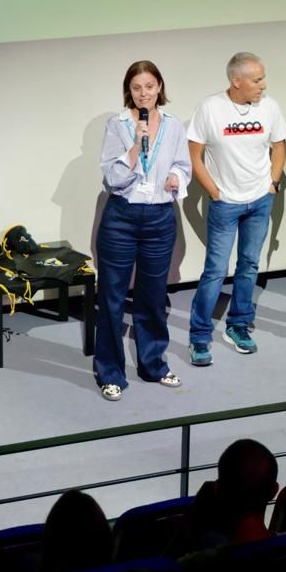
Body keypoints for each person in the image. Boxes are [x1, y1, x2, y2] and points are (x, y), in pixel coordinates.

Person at [93, 60, 191, 399]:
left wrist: (178, 178)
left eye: (149, 86)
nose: (144, 93)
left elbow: (183, 164)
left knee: (151, 297)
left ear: (159, 87)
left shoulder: (175, 126)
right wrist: (136, 145)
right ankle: (110, 372)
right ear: (129, 91)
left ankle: (154, 365)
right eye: (137, 88)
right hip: (121, 217)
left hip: (160, 217)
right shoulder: (117, 125)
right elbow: (112, 178)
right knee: (112, 297)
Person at [187, 53, 286, 366]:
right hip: (225, 203)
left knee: (248, 264)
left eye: (262, 78)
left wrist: (272, 182)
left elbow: (280, 146)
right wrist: (215, 193)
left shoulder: (269, 107)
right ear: (236, 81)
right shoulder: (210, 108)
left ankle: (238, 325)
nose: (263, 85)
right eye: (257, 80)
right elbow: (194, 157)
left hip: (260, 200)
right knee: (216, 271)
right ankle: (199, 337)